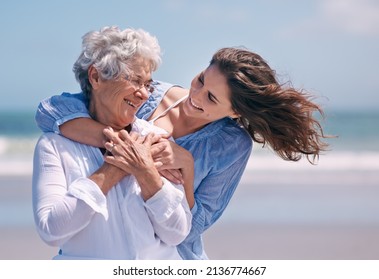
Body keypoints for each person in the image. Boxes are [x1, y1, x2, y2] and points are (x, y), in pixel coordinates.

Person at [35, 47, 329, 259]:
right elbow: (51, 111)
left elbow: (193, 227)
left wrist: (186, 169)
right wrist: (125, 145)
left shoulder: (231, 145)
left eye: (211, 98)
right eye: (201, 79)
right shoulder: (150, 96)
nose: (195, 96)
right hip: (106, 246)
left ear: (236, 111)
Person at [32, 26, 192, 260]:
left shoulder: (155, 138)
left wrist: (147, 174)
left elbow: (177, 233)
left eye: (148, 84)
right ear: (96, 77)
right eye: (135, 80)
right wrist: (113, 170)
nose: (145, 94)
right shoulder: (54, 146)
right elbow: (51, 231)